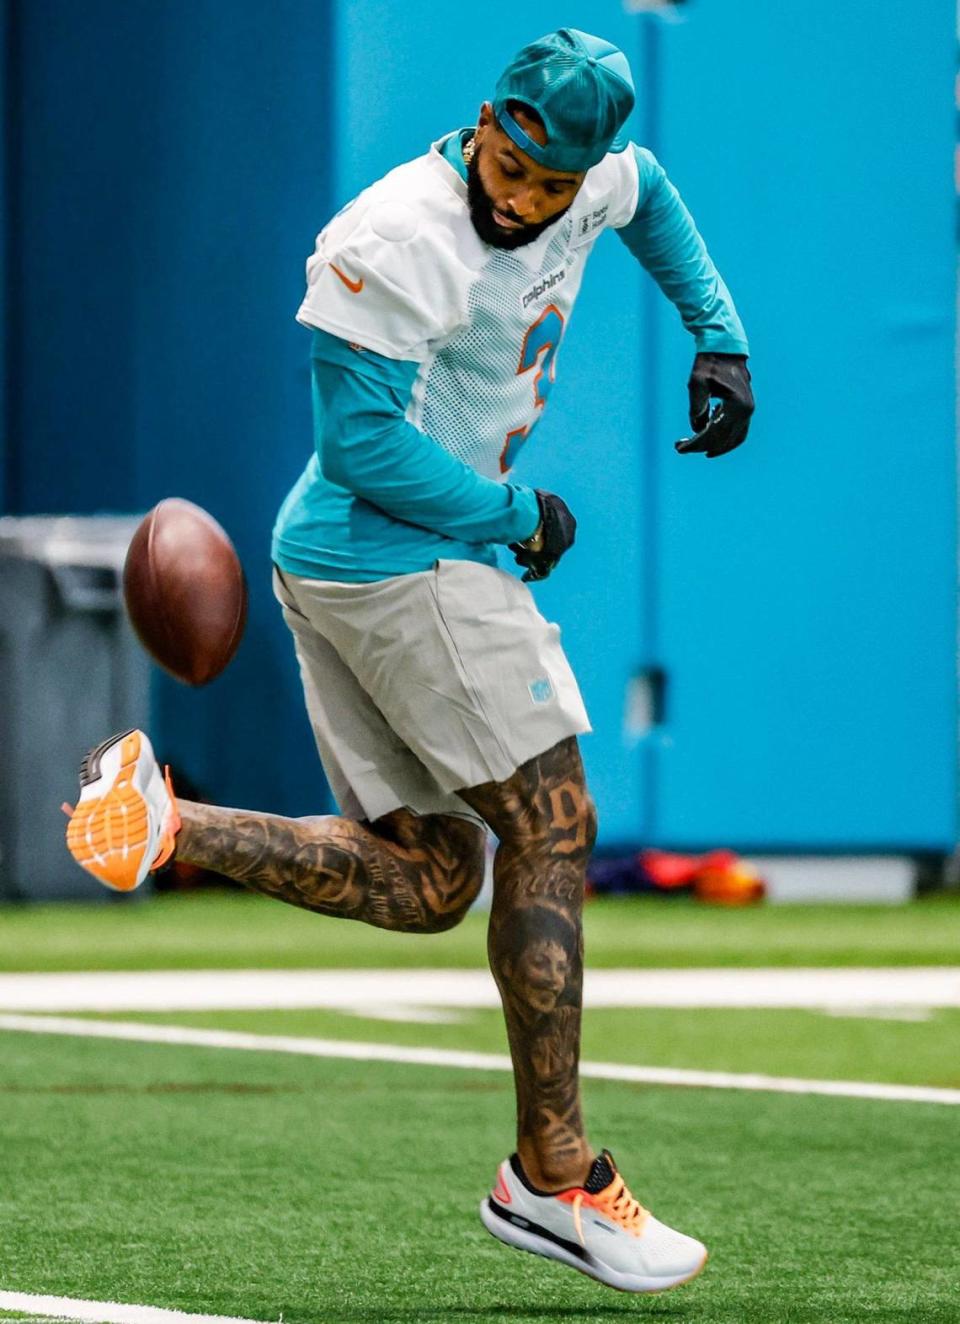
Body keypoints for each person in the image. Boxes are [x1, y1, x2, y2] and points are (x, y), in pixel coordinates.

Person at [65, 28, 753, 1295]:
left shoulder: (595, 175)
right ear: (487, 119)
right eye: (514, 164)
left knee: (438, 878)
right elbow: (366, 449)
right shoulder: (391, 235)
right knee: (555, 816)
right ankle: (555, 1176)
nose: (525, 198)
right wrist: (518, 515)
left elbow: (646, 189)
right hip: (394, 553)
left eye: (554, 184)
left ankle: (167, 821)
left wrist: (718, 331)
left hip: (373, 559)